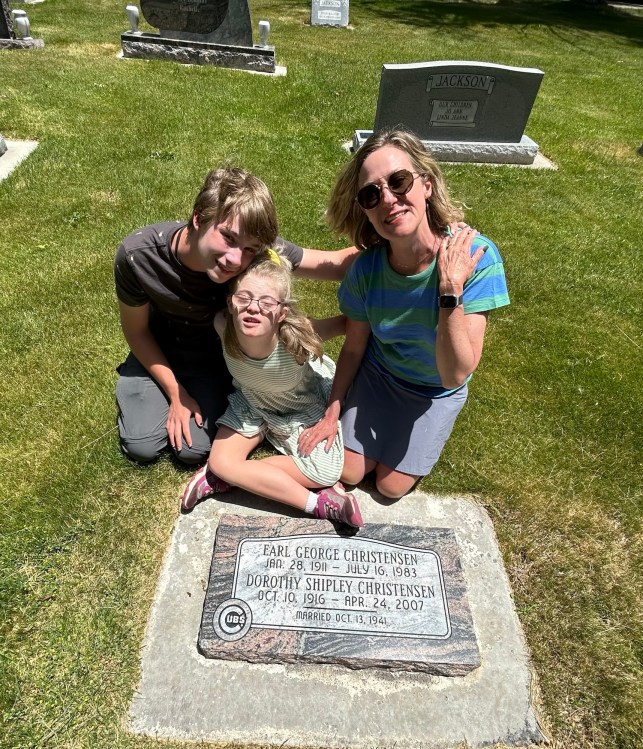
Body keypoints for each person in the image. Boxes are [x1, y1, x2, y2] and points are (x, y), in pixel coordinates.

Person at [298, 129, 510, 500]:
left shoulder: (475, 257)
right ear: (365, 210)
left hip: (436, 390)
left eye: (399, 181)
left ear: (426, 185)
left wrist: (450, 290)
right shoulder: (367, 270)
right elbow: (353, 348)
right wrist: (331, 412)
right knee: (349, 471)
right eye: (371, 194)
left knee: (389, 486)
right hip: (380, 376)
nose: (388, 199)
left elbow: (455, 374)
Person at [114, 167, 357, 466]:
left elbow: (334, 263)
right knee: (142, 446)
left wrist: (396, 244)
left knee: (192, 450)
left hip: (213, 361)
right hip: (157, 350)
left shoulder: (255, 246)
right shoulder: (138, 255)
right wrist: (176, 394)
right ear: (198, 218)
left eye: (249, 249)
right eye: (228, 238)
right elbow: (137, 331)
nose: (235, 259)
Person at [180, 250, 363, 529]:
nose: (253, 308)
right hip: (252, 404)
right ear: (230, 304)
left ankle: (226, 478)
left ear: (281, 313)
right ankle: (319, 504)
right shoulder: (223, 326)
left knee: (325, 471)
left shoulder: (298, 338)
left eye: (267, 302)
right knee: (221, 461)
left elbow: (351, 323)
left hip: (298, 406)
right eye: (244, 298)